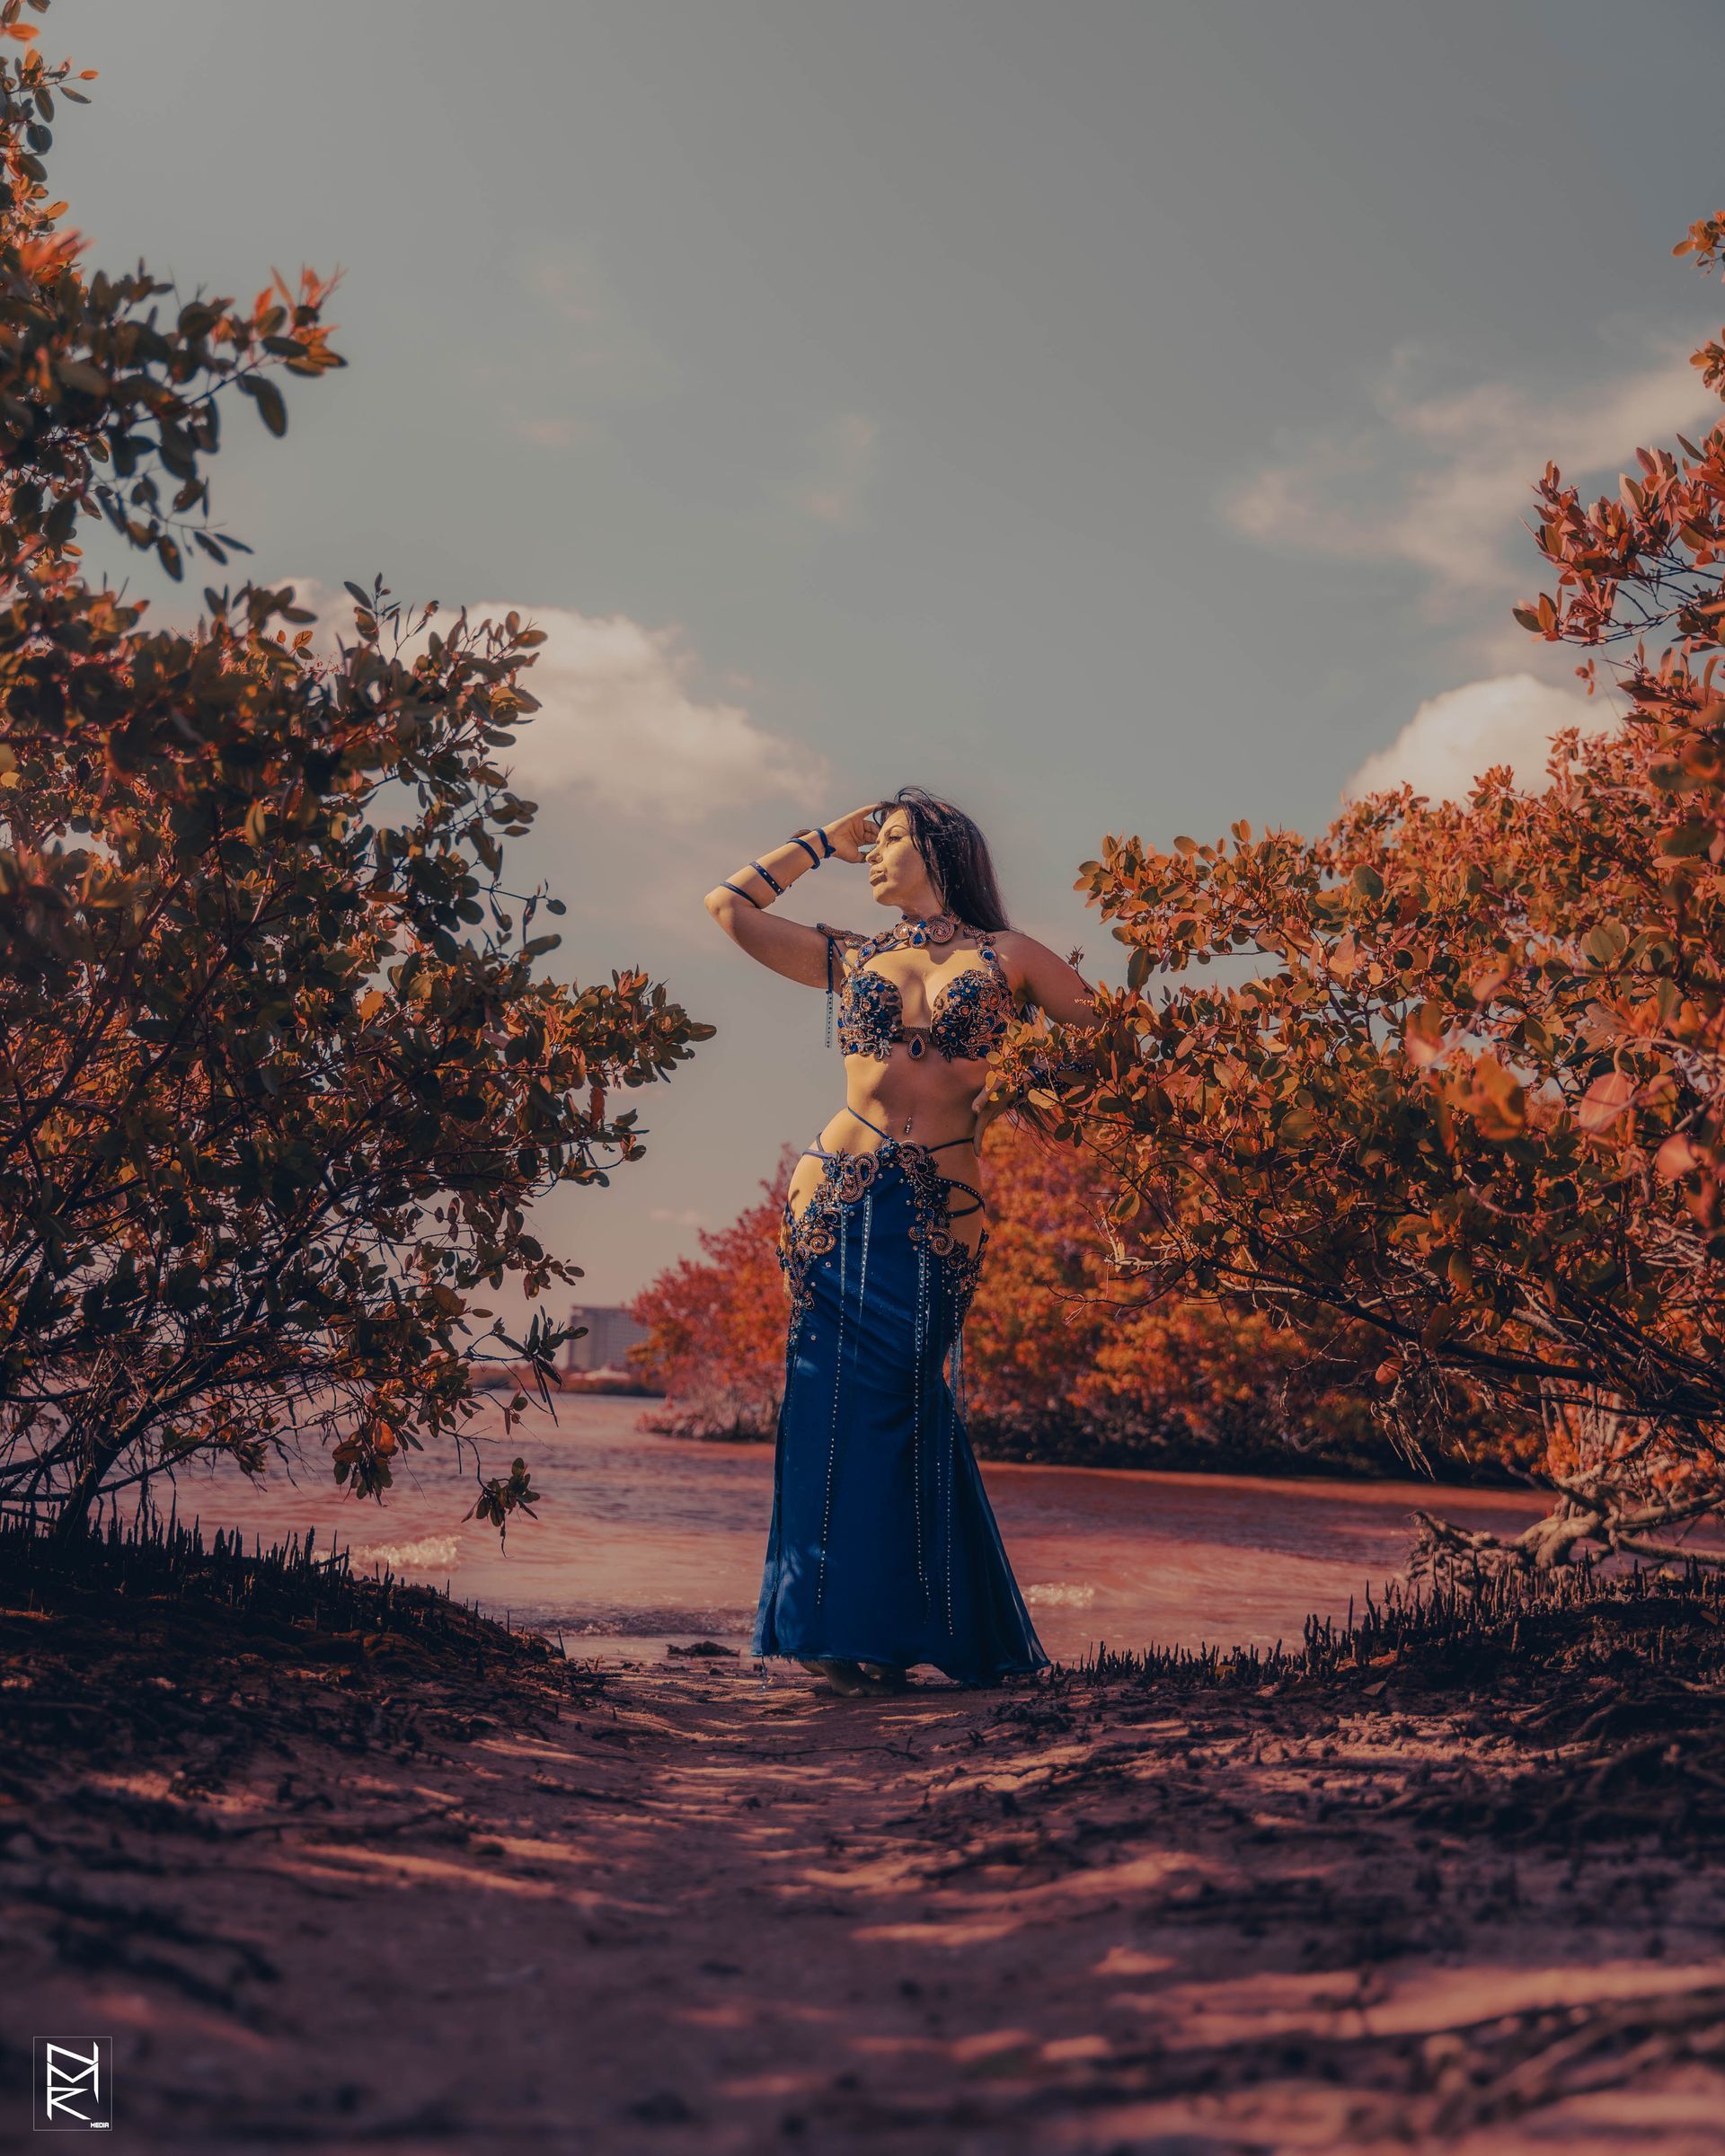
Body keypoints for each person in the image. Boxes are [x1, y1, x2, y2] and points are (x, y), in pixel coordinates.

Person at [703, 787, 1098, 1695]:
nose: (871, 856)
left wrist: (1033, 1089)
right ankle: (835, 1637)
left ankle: (914, 1625)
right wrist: (818, 840)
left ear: (941, 851)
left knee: (906, 1408)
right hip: (833, 1200)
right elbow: (729, 906)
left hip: (937, 1216)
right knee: (823, 1415)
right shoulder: (846, 958)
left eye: (886, 841)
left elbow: (1119, 1048)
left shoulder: (1014, 957)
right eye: (868, 844)